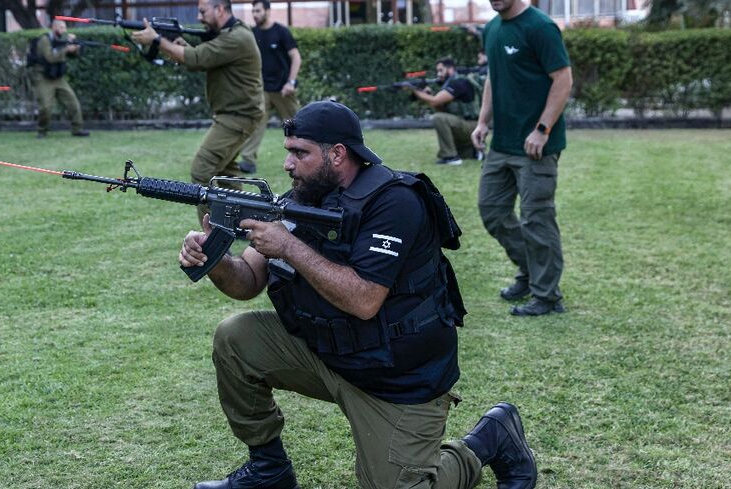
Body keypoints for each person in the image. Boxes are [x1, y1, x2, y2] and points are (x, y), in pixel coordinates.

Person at [178, 100, 538, 489]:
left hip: (396, 377)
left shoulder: (396, 202)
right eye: (288, 152)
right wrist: (214, 257)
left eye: (300, 153)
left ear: (338, 154)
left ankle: (486, 441)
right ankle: (269, 471)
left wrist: (288, 247)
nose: (288, 164)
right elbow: (247, 280)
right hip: (331, 356)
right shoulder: (300, 199)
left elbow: (365, 300)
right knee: (236, 337)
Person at [471, 0, 573, 316]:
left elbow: (563, 78)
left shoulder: (539, 27)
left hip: (536, 146)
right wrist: (483, 121)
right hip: (503, 142)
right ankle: (531, 273)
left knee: (537, 218)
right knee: (492, 210)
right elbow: (493, 77)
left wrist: (542, 129)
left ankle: (547, 296)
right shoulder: (492, 28)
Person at [131, 0, 264, 223]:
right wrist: (176, 46)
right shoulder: (232, 32)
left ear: (220, 9)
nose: (199, 17)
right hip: (237, 115)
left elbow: (195, 58)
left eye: (203, 12)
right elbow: (198, 60)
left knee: (202, 171)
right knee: (227, 175)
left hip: (238, 117)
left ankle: (212, 235)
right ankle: (242, 225)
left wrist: (157, 40)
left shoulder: (236, 37)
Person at [236, 0, 302, 175]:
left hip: (283, 90)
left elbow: (296, 57)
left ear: (267, 10)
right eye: (253, 11)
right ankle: (248, 161)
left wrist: (291, 82)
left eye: (258, 11)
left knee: (297, 126)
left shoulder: (281, 32)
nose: (255, 14)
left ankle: (306, 157)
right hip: (262, 89)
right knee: (255, 123)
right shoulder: (253, 33)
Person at [406, 57, 481, 166]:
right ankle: (473, 152)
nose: (438, 74)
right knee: (440, 116)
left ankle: (451, 157)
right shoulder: (452, 83)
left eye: (441, 70)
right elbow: (440, 108)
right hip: (468, 126)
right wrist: (427, 95)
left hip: (471, 126)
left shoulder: (458, 82)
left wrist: (415, 90)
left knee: (438, 118)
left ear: (450, 69)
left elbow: (435, 101)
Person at [29, 19, 90, 138]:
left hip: (58, 77)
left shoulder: (63, 39)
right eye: (61, 28)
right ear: (54, 28)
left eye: (65, 28)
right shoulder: (45, 40)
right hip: (43, 77)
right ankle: (42, 131)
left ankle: (77, 129)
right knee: (46, 107)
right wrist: (67, 49)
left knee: (73, 103)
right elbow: (50, 58)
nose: (64, 30)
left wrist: (75, 47)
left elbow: (72, 55)